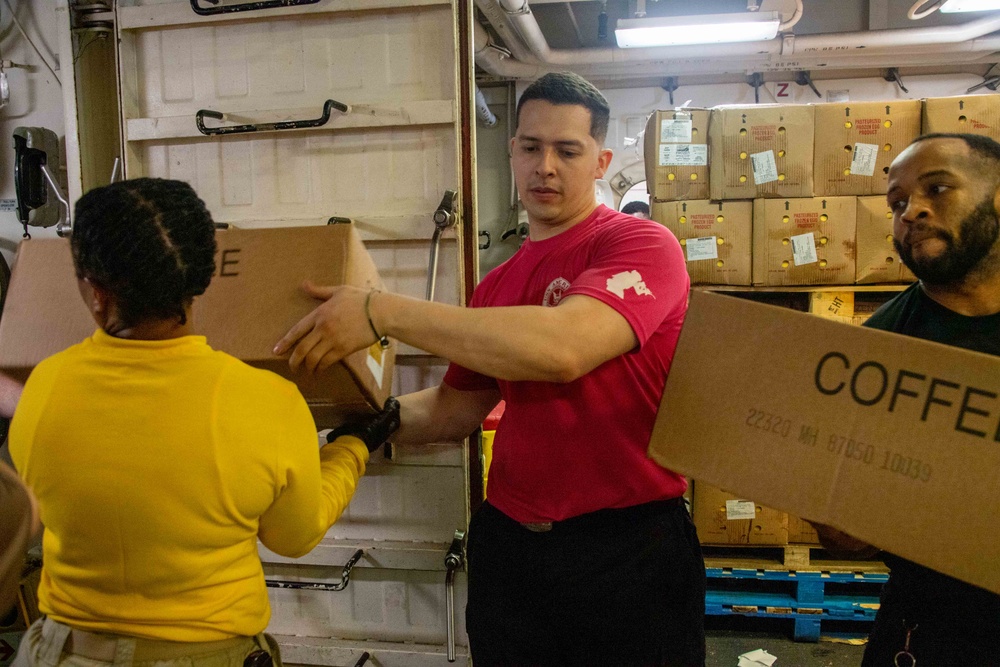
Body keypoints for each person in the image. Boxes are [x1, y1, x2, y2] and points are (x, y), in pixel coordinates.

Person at [274, 72, 705, 666]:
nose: (545, 166)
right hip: (512, 549)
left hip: (627, 548)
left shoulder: (642, 246)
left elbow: (564, 350)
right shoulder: (497, 285)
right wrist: (354, 416)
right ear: (512, 153)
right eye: (530, 147)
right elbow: (455, 407)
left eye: (567, 150)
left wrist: (380, 310)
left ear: (601, 161)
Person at [8, 178, 393, 667]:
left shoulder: (44, 387)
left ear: (97, 293)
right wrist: (352, 447)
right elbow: (294, 536)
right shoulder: (266, 401)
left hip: (62, 652)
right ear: (202, 276)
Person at [814, 132, 1000, 666]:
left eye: (937, 189)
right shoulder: (876, 352)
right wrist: (842, 527)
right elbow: (841, 519)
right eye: (897, 203)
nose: (912, 211)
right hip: (928, 627)